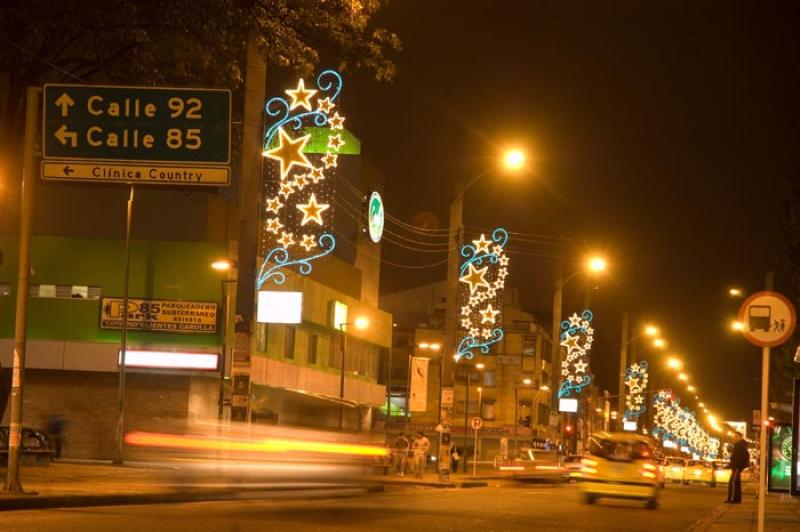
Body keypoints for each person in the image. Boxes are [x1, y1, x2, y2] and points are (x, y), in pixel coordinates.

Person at [726, 431, 749, 504]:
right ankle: (736, 499)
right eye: (734, 436)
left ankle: (732, 499)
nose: (734, 438)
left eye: (736, 436)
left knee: (732, 482)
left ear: (740, 437)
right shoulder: (738, 445)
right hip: (736, 466)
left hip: (737, 466)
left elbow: (739, 457)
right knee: (736, 482)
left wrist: (735, 465)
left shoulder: (741, 445)